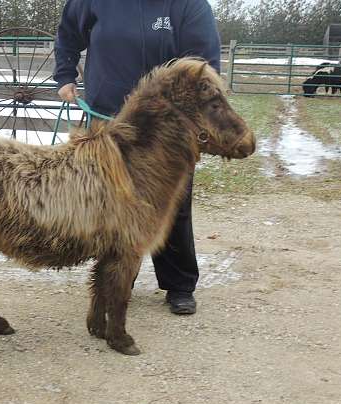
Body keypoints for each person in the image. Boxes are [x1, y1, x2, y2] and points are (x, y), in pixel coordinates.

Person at [53, 0, 221, 315]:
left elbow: (204, 64)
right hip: (109, 119)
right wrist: (65, 75)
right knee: (110, 202)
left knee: (172, 205)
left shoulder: (188, 6)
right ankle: (116, 278)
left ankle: (179, 284)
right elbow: (68, 33)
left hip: (168, 128)